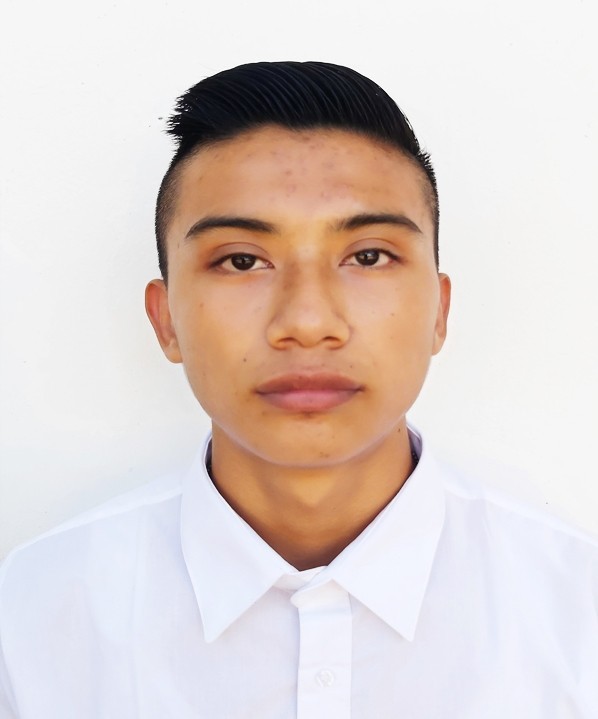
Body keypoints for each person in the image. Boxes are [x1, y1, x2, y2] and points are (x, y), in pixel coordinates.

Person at [0, 61, 596, 719]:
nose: (308, 321)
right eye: (241, 260)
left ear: (439, 311)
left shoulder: (577, 619)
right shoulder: (28, 621)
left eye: (368, 256)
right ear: (165, 319)